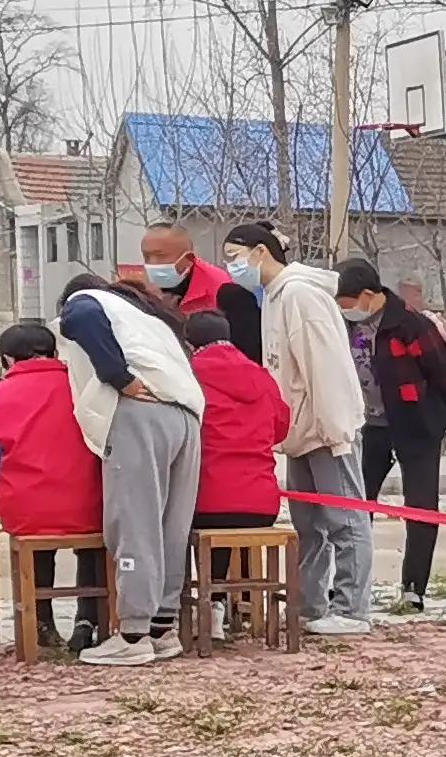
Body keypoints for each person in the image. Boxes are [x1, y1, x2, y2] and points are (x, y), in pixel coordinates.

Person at [55, 273, 205, 665]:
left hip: (141, 414)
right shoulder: (147, 317)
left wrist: (118, 377)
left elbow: (79, 318)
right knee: (172, 526)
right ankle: (161, 629)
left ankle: (133, 633)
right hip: (185, 415)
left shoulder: (86, 300)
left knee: (135, 520)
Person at [236, 220, 373, 635]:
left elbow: (324, 365)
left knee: (344, 520)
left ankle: (352, 609)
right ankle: (311, 605)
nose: (232, 267)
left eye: (235, 257)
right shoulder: (274, 297)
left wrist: (335, 429)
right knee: (309, 525)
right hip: (298, 430)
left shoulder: (299, 293)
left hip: (326, 426)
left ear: (262, 252)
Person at [335, 260, 446, 612]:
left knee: (421, 507)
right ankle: (349, 585)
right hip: (372, 425)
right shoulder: (345, 328)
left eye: (347, 305)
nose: (346, 313)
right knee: (358, 506)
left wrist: (432, 415)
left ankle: (413, 587)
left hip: (416, 426)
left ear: (367, 296)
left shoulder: (410, 324)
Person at [0, 321, 103, 651]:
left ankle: (42, 622)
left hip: (27, 510)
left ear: (7, 360)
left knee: (37, 525)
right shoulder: (83, 388)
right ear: (54, 352)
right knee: (93, 541)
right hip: (91, 505)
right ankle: (87, 620)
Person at [183, 310, 292, 629]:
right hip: (261, 504)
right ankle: (236, 608)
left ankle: (199, 608)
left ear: (189, 344)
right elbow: (281, 428)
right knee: (229, 521)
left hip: (204, 500)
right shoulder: (260, 376)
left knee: (183, 523)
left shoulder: (188, 376)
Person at [130, 221, 261, 358]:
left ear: (189, 258)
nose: (152, 263)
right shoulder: (143, 289)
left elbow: (245, 352)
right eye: (147, 256)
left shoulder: (220, 289)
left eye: (160, 256)